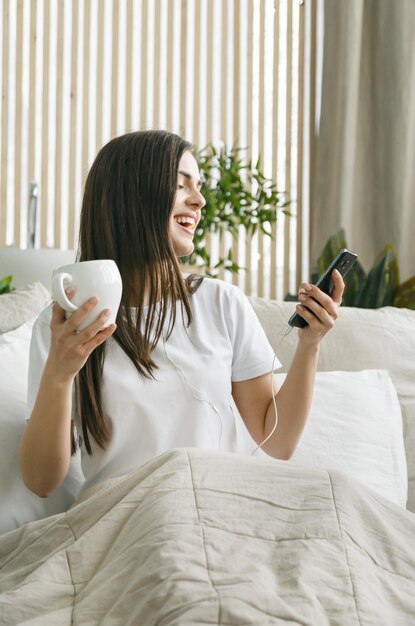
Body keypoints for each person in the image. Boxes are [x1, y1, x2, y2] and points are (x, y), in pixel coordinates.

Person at [19, 130, 344, 498]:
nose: (200, 200)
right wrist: (60, 374)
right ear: (132, 197)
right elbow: (41, 480)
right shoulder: (65, 327)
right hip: (123, 523)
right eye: (181, 185)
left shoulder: (222, 304)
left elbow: (276, 443)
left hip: (218, 511)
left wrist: (309, 344)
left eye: (199, 186)